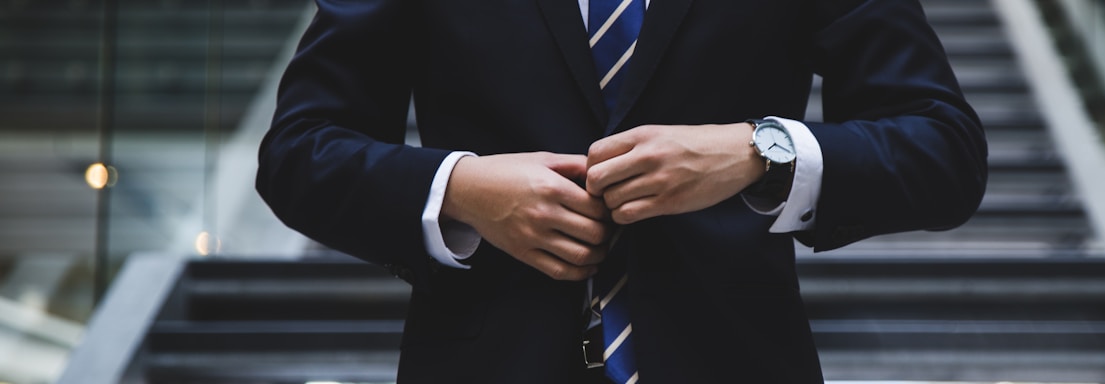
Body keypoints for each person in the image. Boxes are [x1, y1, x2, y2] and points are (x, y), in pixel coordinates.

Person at [256, 0, 987, 383]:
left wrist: (759, 149)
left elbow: (943, 147)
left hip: (734, 364)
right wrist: (460, 188)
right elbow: (299, 151)